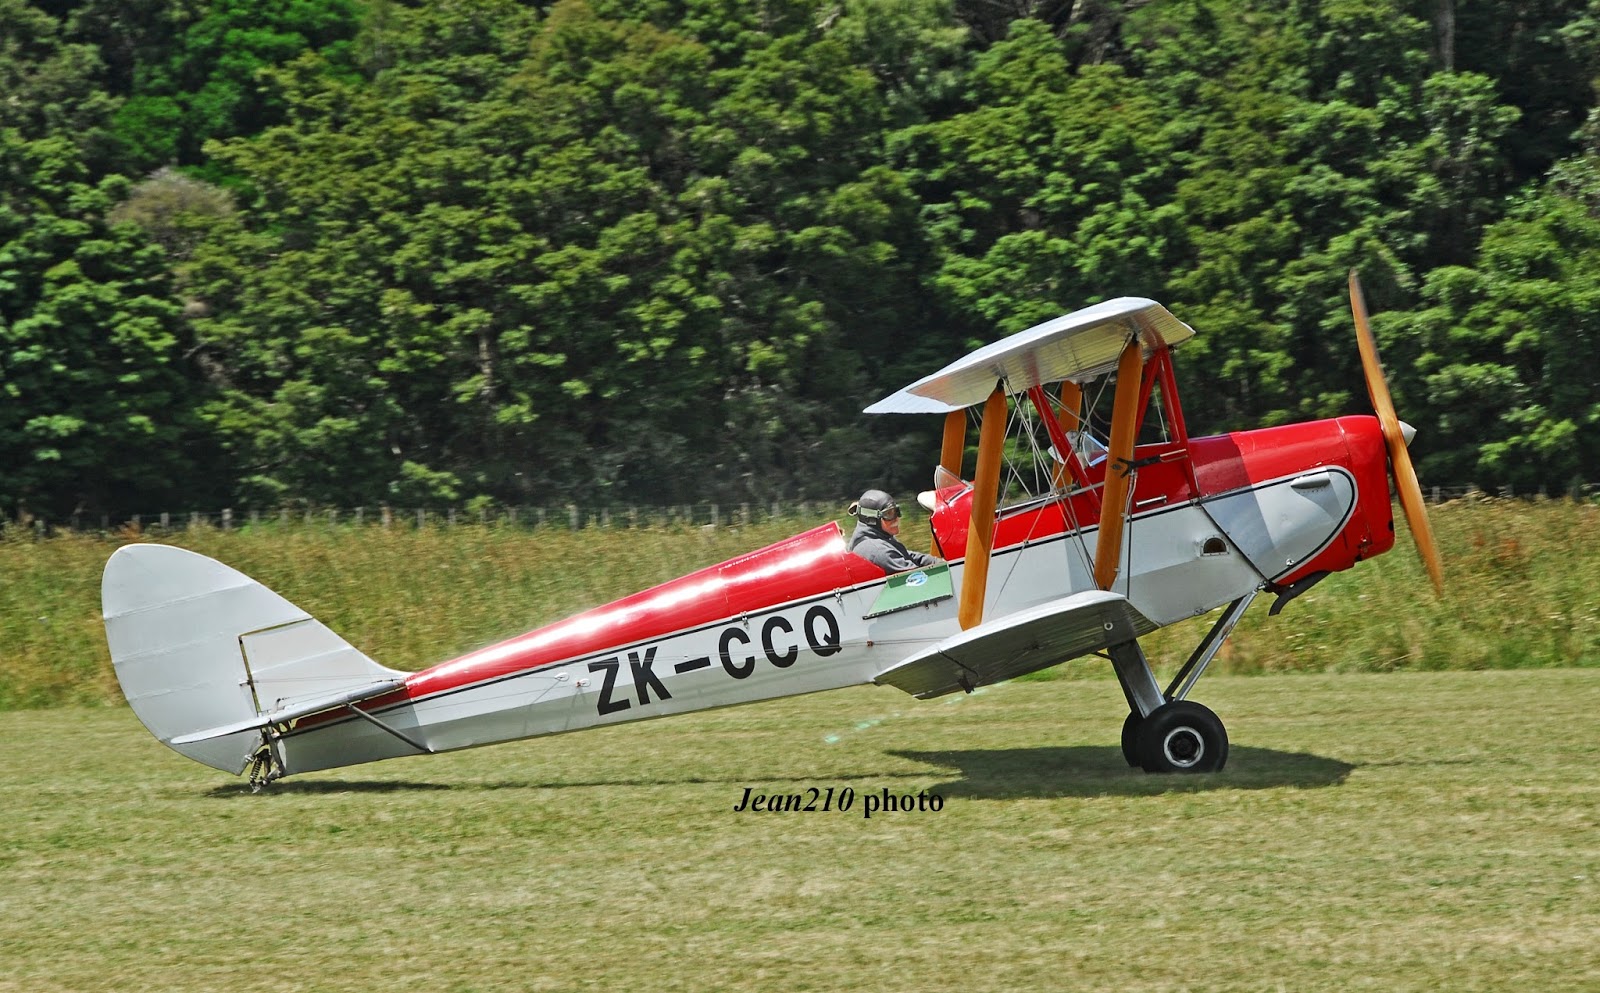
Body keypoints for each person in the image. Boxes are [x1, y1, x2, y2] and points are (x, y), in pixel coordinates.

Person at [847, 489, 943, 574]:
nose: (897, 518)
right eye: (889, 514)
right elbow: (918, 577)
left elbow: (908, 555)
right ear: (871, 520)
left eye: (896, 511)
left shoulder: (875, 537)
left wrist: (939, 562)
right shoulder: (879, 552)